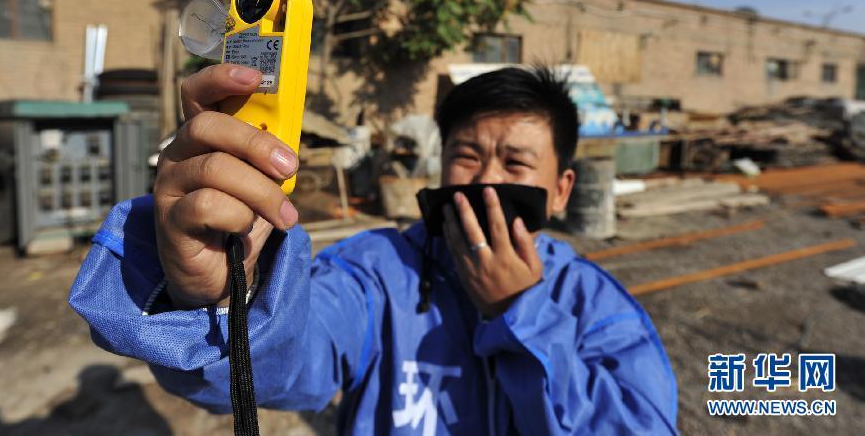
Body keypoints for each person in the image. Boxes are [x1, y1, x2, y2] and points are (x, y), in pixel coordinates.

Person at [70, 64, 678, 435]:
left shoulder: (596, 304)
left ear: (562, 189)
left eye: (516, 162)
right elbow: (294, 361)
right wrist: (220, 290)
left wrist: (521, 312)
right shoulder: (378, 269)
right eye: (467, 155)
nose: (485, 181)